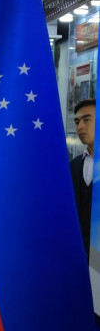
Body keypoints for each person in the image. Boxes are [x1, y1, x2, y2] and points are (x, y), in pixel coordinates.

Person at [70, 98, 96, 259]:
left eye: (86, 120)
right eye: (77, 121)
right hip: (77, 257)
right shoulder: (73, 165)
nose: (80, 126)